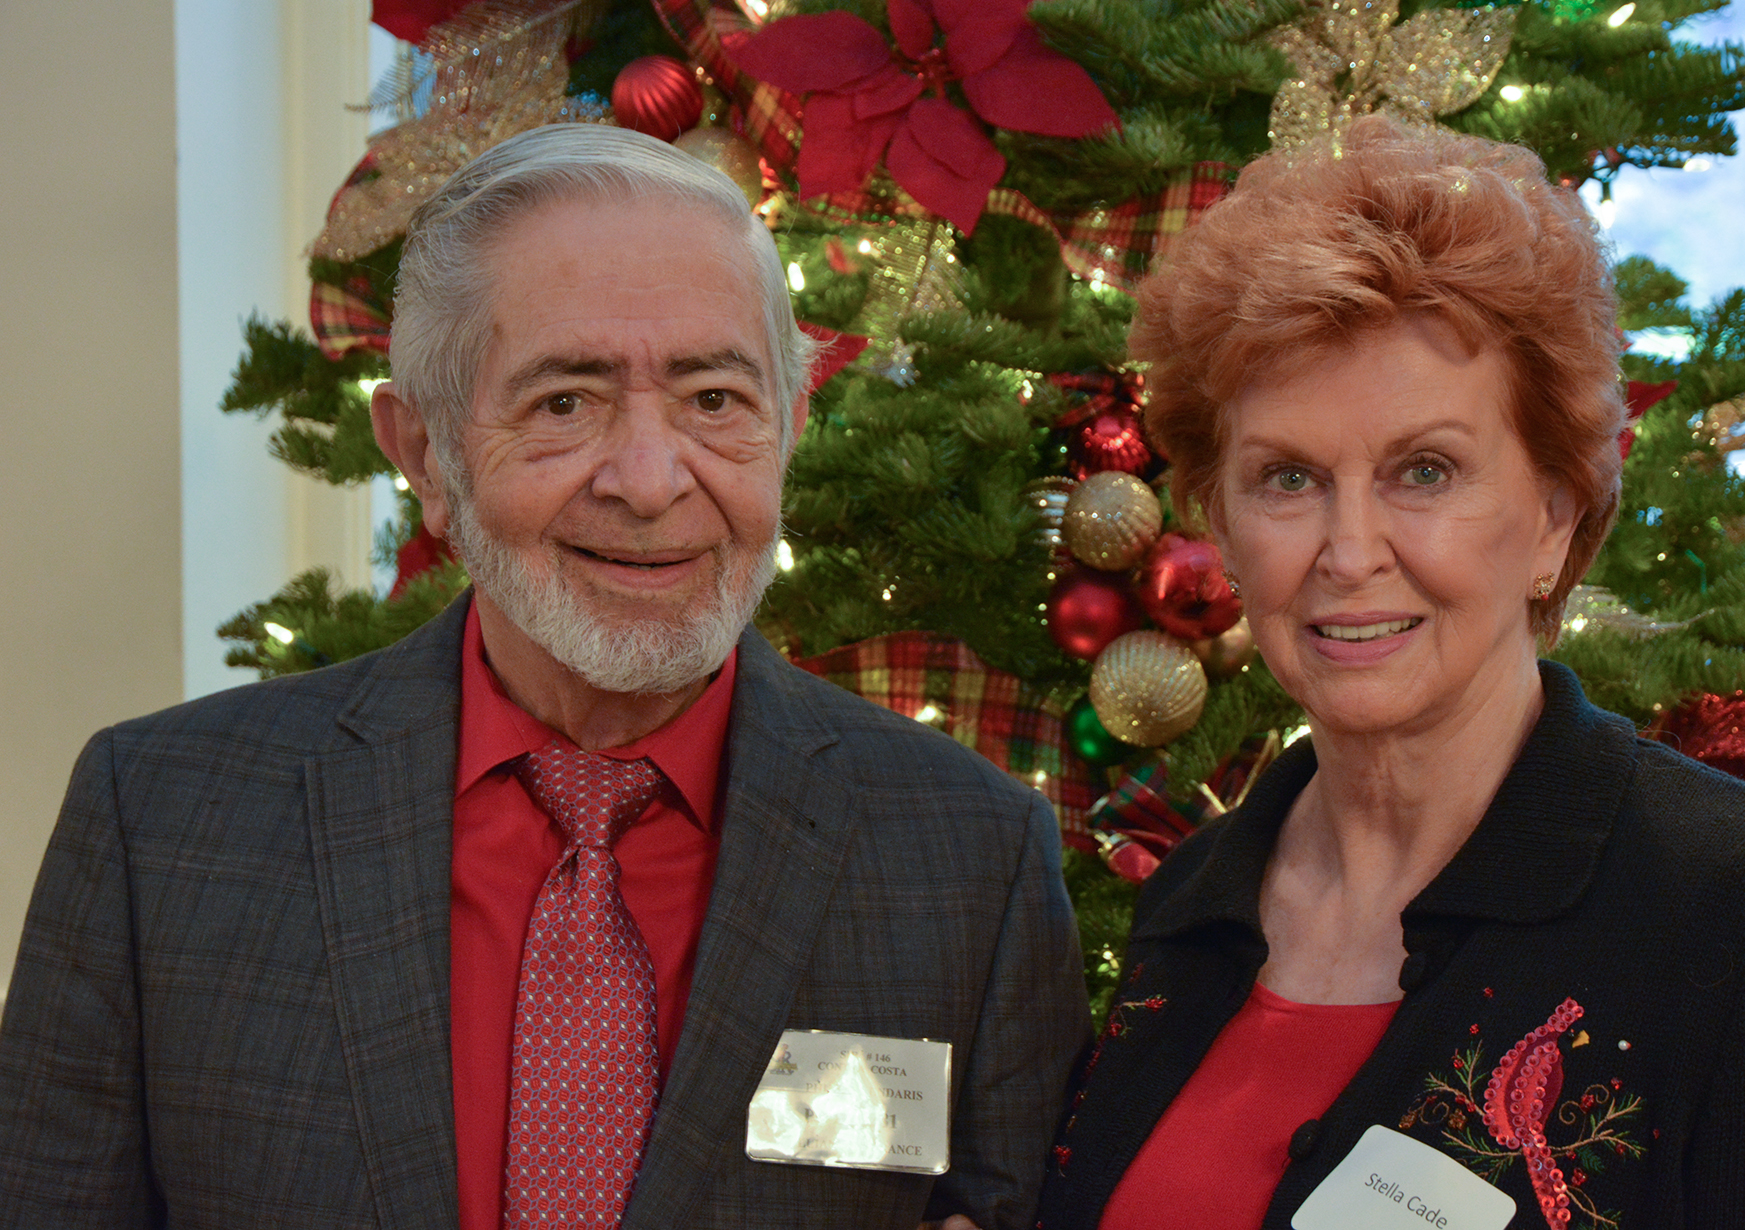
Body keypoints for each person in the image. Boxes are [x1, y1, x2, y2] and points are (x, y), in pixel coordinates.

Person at [0, 124, 1090, 1230]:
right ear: (425, 454)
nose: (651, 481)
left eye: (715, 399)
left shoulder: (971, 860)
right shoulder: (161, 823)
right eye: (564, 402)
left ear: (791, 427)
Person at [1034, 117, 1745, 1230]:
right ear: (1220, 525)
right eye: (1287, 478)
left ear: (1555, 518)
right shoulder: (1192, 905)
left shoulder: (1744, 912)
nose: (1350, 551)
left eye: (1425, 470)